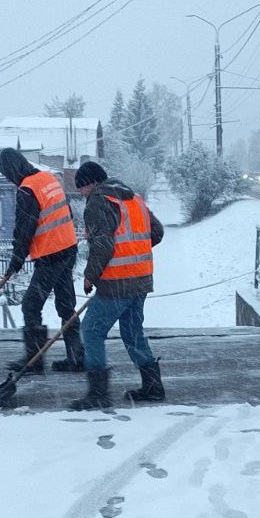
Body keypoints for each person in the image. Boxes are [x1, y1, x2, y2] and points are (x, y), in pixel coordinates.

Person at [67, 161, 165, 410]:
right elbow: (157, 232)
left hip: (116, 282)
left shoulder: (99, 202)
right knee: (132, 332)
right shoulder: (133, 199)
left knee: (91, 330)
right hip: (141, 279)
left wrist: (90, 276)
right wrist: (134, 253)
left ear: (92, 183)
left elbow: (102, 246)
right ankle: (153, 386)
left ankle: (98, 393)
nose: (81, 193)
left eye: (81, 188)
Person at [0, 148, 84, 375]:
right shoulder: (48, 179)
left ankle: (34, 360)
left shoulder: (27, 190)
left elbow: (24, 230)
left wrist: (16, 261)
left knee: (30, 305)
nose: (8, 179)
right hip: (68, 248)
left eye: (6, 174)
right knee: (66, 305)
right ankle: (77, 357)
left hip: (51, 255)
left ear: (12, 170)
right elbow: (67, 214)